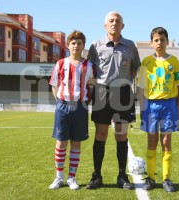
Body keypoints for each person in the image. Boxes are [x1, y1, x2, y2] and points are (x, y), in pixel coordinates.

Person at [86, 11, 141, 190]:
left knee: (121, 135)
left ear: (122, 26)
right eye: (111, 20)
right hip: (102, 92)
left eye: (117, 21)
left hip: (123, 94)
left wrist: (124, 82)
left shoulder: (130, 46)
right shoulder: (95, 45)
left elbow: (135, 68)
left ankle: (122, 176)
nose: (114, 23)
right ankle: (96, 175)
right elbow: (90, 70)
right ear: (105, 25)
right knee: (100, 134)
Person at [137, 27, 179, 192]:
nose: (159, 43)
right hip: (150, 106)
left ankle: (166, 179)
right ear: (151, 43)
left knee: (166, 142)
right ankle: (150, 178)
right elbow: (140, 87)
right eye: (156, 40)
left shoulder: (174, 61)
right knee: (151, 141)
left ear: (167, 42)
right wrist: (142, 108)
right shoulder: (146, 62)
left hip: (169, 105)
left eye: (162, 40)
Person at [48, 30, 95, 190]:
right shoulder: (61, 63)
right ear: (68, 45)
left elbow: (92, 86)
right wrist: (61, 102)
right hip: (63, 105)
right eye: (73, 43)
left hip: (80, 107)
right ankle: (59, 177)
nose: (76, 46)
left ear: (83, 46)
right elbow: (54, 85)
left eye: (79, 43)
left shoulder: (89, 66)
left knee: (76, 143)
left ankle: (72, 178)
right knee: (61, 142)